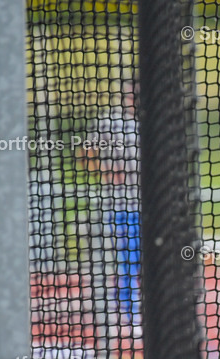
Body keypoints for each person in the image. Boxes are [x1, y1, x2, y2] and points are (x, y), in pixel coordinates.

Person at [79, 80, 141, 328]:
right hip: (120, 203)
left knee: (143, 256)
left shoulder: (153, 123)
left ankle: (136, 305)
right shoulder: (112, 123)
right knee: (126, 255)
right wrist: (105, 170)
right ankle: (128, 309)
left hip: (149, 204)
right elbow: (86, 152)